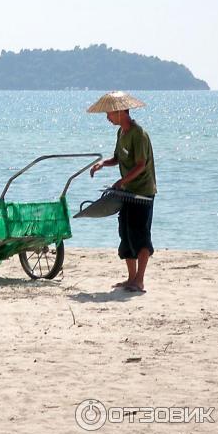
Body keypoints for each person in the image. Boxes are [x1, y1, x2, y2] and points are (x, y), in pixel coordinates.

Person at [88, 91, 157, 293]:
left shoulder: (139, 134)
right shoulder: (121, 133)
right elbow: (118, 158)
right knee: (126, 233)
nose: (107, 117)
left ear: (120, 112)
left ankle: (140, 280)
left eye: (109, 113)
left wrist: (121, 180)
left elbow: (141, 165)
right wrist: (103, 163)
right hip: (127, 191)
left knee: (140, 234)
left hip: (143, 192)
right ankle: (130, 278)